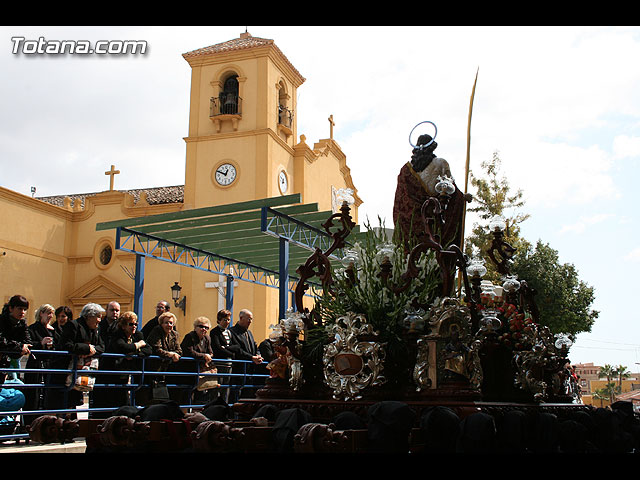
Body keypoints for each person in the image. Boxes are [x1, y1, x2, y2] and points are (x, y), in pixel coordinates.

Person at [49, 303, 105, 413]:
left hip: (79, 374)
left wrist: (90, 350)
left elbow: (102, 347)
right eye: (98, 317)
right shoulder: (73, 325)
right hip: (63, 373)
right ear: (88, 316)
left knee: (72, 405)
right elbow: (66, 345)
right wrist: (86, 348)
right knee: (60, 405)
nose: (99, 320)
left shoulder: (94, 329)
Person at [104, 311, 152, 410]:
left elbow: (148, 349)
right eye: (131, 324)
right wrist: (138, 345)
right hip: (112, 372)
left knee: (125, 399)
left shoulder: (137, 335)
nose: (134, 326)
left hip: (127, 372)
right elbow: (123, 347)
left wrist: (135, 354)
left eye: (135, 324)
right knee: (113, 400)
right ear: (123, 326)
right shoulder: (117, 334)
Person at [23, 304, 58, 424]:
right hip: (36, 364)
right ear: (41, 313)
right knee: (33, 395)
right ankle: (30, 423)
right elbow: (29, 344)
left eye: (52, 314)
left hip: (50, 364)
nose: (50, 316)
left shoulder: (54, 330)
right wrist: (41, 343)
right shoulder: (32, 328)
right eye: (48, 313)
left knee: (49, 395)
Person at [146, 312, 182, 403]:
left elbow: (179, 350)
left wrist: (174, 354)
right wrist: (171, 354)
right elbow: (157, 349)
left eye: (171, 323)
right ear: (161, 323)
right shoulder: (156, 331)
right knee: (152, 394)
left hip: (167, 369)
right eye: (166, 323)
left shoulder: (174, 334)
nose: (169, 325)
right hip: (153, 367)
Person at [181, 316, 216, 404]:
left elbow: (210, 352)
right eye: (201, 326)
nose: (204, 329)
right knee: (187, 394)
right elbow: (189, 351)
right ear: (195, 327)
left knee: (202, 393)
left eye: (206, 327)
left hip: (201, 371)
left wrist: (208, 356)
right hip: (188, 370)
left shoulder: (207, 338)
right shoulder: (190, 336)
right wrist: (204, 356)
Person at [229, 309, 263, 399]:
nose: (250, 322)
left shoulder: (249, 333)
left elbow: (255, 346)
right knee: (236, 395)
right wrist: (251, 357)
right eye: (248, 319)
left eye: (251, 319)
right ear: (241, 318)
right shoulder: (232, 332)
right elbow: (237, 350)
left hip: (250, 371)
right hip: (239, 370)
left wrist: (258, 355)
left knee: (248, 395)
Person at [0, 295, 32, 386]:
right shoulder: (1, 321)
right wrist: (19, 347)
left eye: (25, 309)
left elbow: (28, 342)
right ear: (11, 308)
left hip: (6, 362)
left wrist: (19, 348)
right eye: (20, 309)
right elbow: (1, 341)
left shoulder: (22, 323)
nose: (22, 312)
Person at [210, 309, 236, 403]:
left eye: (228, 320)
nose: (227, 322)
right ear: (219, 320)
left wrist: (225, 348)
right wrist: (230, 351)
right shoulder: (214, 332)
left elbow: (236, 346)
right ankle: (214, 406)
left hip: (229, 363)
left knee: (226, 387)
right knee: (217, 386)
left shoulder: (229, 332)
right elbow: (217, 348)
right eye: (225, 320)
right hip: (219, 363)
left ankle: (225, 406)